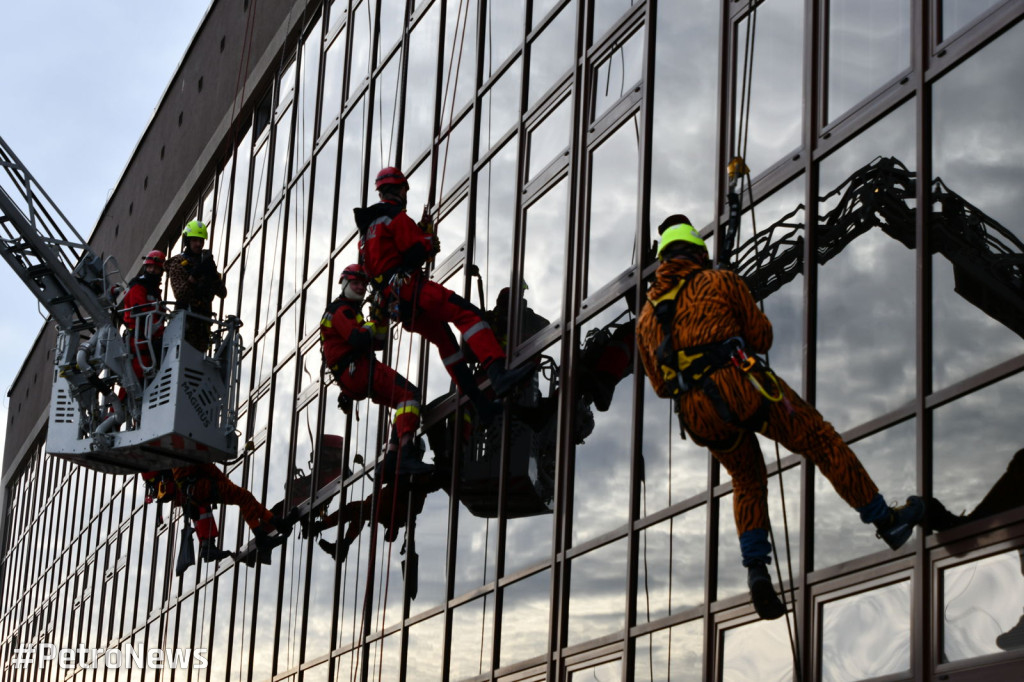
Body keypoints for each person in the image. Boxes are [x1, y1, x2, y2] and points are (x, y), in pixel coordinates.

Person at [635, 214, 925, 621]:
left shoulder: (647, 318)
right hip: (744, 387)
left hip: (699, 416)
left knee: (747, 479)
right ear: (698, 253)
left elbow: (661, 386)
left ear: (663, 261)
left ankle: (756, 570)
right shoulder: (719, 281)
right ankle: (885, 519)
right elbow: (763, 337)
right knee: (820, 440)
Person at [354, 167, 534, 419]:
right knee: (469, 315)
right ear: (400, 189)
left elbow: (385, 258)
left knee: (447, 343)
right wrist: (427, 239)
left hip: (394, 303)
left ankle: (480, 404)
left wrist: (419, 233)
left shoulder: (366, 232)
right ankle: (497, 373)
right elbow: (416, 251)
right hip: (409, 289)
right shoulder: (394, 217)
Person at [320, 264, 432, 477]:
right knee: (410, 395)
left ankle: (390, 460)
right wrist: (373, 321)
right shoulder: (340, 310)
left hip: (355, 374)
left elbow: (377, 342)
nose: (361, 287)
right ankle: (405, 454)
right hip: (358, 370)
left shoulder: (352, 311)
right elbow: (359, 338)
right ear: (344, 284)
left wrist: (380, 318)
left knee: (403, 402)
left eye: (363, 284)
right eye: (356, 283)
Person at [142, 463, 290, 562]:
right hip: (196, 487)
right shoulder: (181, 446)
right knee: (243, 497)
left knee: (243, 497)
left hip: (193, 487)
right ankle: (262, 535)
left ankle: (274, 523)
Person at [166, 220, 227, 352]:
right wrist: (195, 275)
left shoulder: (206, 262)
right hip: (185, 324)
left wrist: (213, 274)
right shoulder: (178, 263)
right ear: (187, 241)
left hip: (202, 324)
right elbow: (180, 295)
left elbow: (222, 293)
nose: (199, 244)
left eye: (201, 240)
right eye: (195, 240)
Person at [122, 250, 167, 381]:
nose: (152, 270)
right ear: (145, 267)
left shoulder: (154, 290)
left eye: (156, 268)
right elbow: (141, 312)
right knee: (134, 380)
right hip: (138, 339)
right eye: (149, 267)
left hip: (147, 339)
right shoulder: (138, 286)